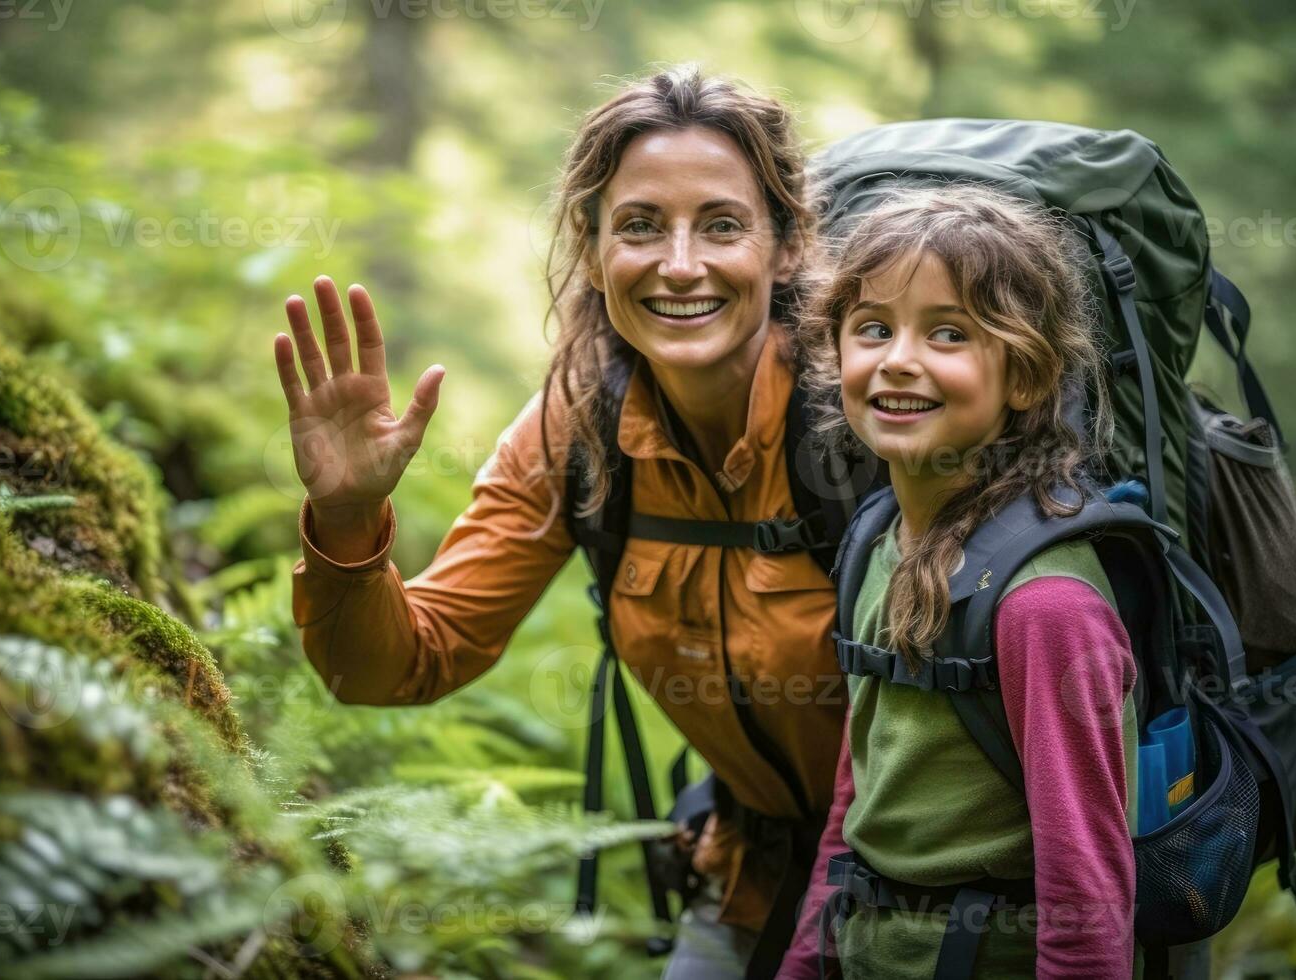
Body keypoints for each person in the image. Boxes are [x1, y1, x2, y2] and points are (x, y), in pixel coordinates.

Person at [271, 65, 849, 979]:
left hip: (932, 894)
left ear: (785, 248)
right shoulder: (577, 432)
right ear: (591, 250)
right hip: (753, 879)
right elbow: (394, 667)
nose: (683, 262)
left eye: (724, 225)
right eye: (640, 226)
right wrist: (347, 518)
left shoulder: (871, 417)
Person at [777, 183, 1138, 978]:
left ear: (1028, 377)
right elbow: (859, 794)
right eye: (872, 328)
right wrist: (806, 961)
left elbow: (1088, 893)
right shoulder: (878, 539)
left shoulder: (1046, 606)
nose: (898, 359)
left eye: (949, 333)